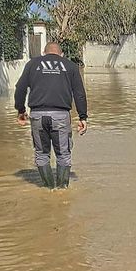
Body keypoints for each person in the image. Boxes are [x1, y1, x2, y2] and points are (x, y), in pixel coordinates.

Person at [14, 41, 88, 188]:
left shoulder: (32, 64)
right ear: (62, 54)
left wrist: (21, 110)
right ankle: (62, 189)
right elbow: (79, 94)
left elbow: (20, 88)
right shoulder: (70, 66)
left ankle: (48, 189)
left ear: (43, 53)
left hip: (37, 115)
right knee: (63, 155)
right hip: (60, 115)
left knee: (41, 154)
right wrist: (83, 117)